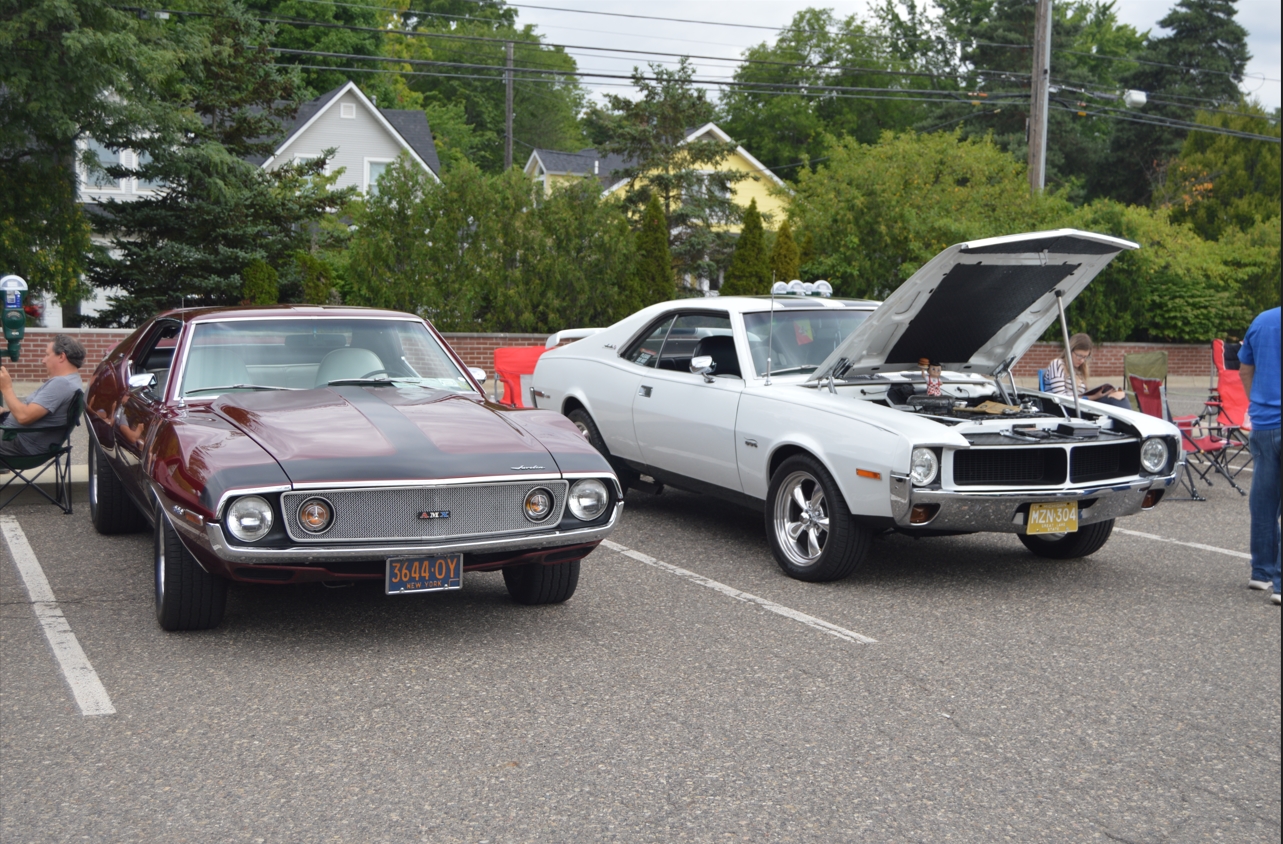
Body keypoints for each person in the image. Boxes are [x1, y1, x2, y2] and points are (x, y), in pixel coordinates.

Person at [1237, 307, 1280, 606]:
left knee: (1263, 499)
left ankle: (1261, 572)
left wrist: (1256, 402)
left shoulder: (1262, 321)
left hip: (1265, 423)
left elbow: (1244, 370)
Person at [0, 335, 86, 458]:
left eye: (47, 355)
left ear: (61, 356)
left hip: (20, 442)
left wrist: (6, 388)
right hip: (21, 438)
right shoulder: (72, 381)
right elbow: (36, 414)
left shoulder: (61, 384)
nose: (43, 360)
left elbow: (24, 417)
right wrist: (6, 412)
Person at [1044, 333, 1130, 409]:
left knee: (1119, 394)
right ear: (1070, 351)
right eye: (1079, 356)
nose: (1082, 360)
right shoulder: (1058, 364)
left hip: (1079, 406)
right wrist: (1094, 397)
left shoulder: (1079, 370)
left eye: (1085, 357)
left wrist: (1098, 394)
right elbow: (1061, 398)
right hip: (1064, 408)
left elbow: (1081, 396)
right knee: (1116, 398)